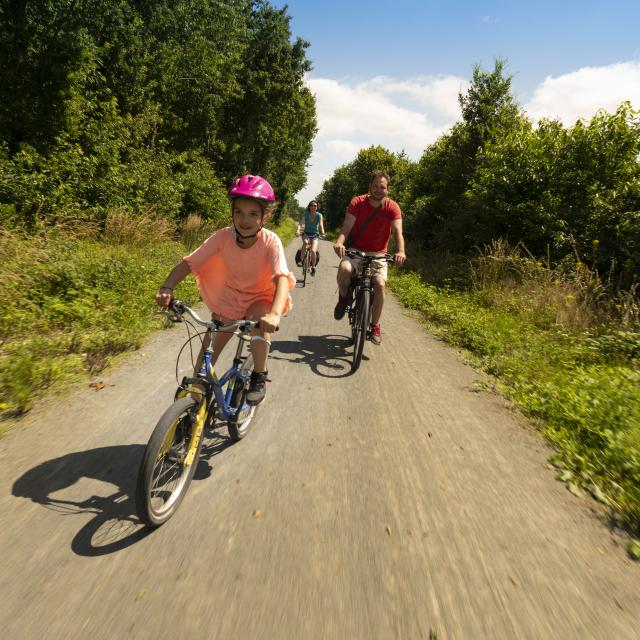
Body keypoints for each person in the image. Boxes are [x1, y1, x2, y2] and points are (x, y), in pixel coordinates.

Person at [156, 174, 295, 405]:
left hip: (260, 297)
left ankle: (259, 375)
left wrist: (275, 313)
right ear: (232, 212)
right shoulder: (222, 237)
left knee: (260, 325)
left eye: (253, 214)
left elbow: (281, 278)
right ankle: (192, 406)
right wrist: (167, 286)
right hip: (231, 297)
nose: (244, 219)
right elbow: (191, 262)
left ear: (265, 217)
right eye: (239, 212)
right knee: (206, 352)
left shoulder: (270, 241)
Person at [332, 171, 406, 345]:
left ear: (388, 190)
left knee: (380, 284)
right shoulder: (357, 202)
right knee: (344, 270)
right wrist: (339, 242)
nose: (378, 190)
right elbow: (347, 226)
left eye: (382, 187)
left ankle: (374, 326)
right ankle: (344, 298)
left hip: (379, 254)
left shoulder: (392, 207)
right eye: (375, 186)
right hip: (356, 250)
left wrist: (401, 251)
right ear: (370, 187)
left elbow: (397, 232)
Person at [295, 200, 325, 276]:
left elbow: (321, 225)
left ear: (317, 207)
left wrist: (323, 233)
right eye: (311, 205)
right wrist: (298, 230)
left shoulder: (319, 215)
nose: (313, 207)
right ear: (309, 206)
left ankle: (313, 267)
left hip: (315, 235)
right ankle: (301, 261)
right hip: (306, 233)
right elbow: (300, 224)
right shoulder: (306, 214)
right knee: (305, 243)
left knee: (313, 251)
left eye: (315, 206)